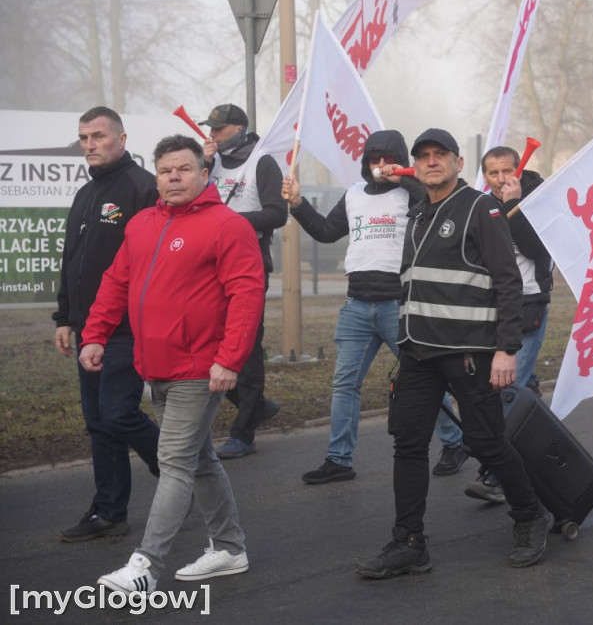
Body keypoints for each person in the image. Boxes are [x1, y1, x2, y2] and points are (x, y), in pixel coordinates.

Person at [355, 129, 550, 579]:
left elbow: (508, 280)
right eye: (422, 157)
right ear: (416, 167)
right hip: (418, 354)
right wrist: (404, 344)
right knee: (407, 444)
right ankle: (409, 543)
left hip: (470, 353)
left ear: (458, 162)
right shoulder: (420, 212)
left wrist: (506, 349)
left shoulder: (481, 208)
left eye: (439, 155)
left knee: (486, 442)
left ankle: (529, 515)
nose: (430, 162)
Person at [82, 135, 264, 594]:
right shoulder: (142, 223)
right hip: (154, 367)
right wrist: (95, 334)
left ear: (205, 174)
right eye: (166, 171)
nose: (174, 178)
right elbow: (116, 283)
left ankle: (145, 565)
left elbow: (247, 295)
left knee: (176, 461)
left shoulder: (228, 225)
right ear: (157, 177)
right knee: (200, 459)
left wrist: (229, 360)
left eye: (184, 169)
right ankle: (229, 547)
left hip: (200, 369)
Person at [280, 130, 466, 485]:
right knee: (345, 383)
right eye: (373, 160)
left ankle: (454, 443)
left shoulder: (414, 194)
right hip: (356, 306)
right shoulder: (353, 195)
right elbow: (324, 231)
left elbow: (439, 209)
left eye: (388, 159)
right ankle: (339, 458)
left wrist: (406, 179)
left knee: (426, 378)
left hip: (399, 305)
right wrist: (299, 204)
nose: (380, 166)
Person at [53, 107, 162, 543]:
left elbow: (153, 263)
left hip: (127, 330)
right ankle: (110, 512)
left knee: (118, 414)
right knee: (99, 422)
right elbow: (71, 263)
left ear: (121, 138)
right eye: (83, 138)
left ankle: (179, 473)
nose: (90, 145)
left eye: (98, 136)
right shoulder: (85, 194)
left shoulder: (142, 188)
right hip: (87, 330)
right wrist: (65, 318)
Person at [463, 145, 553, 505]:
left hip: (528, 304)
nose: (501, 179)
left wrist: (514, 205)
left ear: (519, 169)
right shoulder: (481, 205)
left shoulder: (538, 200)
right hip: (493, 309)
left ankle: (497, 475)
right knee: (518, 391)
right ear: (485, 177)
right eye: (493, 174)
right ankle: (541, 458)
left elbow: (536, 249)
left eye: (506, 171)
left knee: (507, 390)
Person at [198, 104, 287, 459]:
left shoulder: (263, 161)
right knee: (207, 344)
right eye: (211, 128)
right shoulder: (210, 161)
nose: (213, 134)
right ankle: (257, 406)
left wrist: (228, 223)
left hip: (247, 266)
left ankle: (244, 433)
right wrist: (204, 166)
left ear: (240, 128)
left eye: (219, 129)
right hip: (207, 266)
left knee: (247, 350)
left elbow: (277, 213)